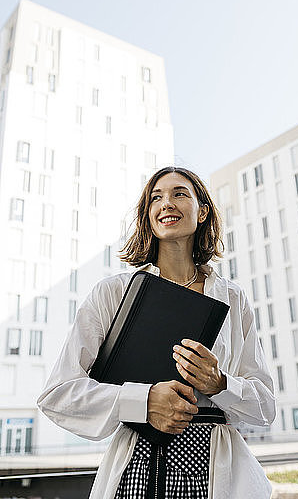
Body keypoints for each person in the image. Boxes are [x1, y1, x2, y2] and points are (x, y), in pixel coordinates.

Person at [37, 166, 276, 499]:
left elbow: (265, 407)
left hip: (219, 473)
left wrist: (220, 383)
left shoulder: (233, 299)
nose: (167, 204)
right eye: (156, 198)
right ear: (148, 214)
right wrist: (143, 401)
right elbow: (58, 395)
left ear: (202, 211)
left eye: (180, 194)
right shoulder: (113, 293)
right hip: (136, 467)